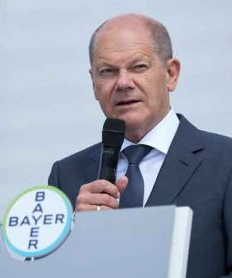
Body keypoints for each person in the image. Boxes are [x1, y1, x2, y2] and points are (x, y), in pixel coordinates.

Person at [48, 13, 232, 278]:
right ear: (94, 83)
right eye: (108, 71)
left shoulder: (224, 163)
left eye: (138, 67)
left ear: (171, 74)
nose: (123, 83)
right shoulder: (67, 176)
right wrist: (77, 240)